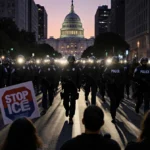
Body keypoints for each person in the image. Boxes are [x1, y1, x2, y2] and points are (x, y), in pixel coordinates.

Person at [61, 55, 80, 124]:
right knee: (65, 102)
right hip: (66, 86)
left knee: (73, 102)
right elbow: (62, 76)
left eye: (72, 60)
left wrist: (78, 86)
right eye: (70, 60)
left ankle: (71, 116)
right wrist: (63, 83)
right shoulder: (65, 67)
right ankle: (67, 109)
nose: (71, 61)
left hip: (74, 87)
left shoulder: (77, 68)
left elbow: (79, 77)